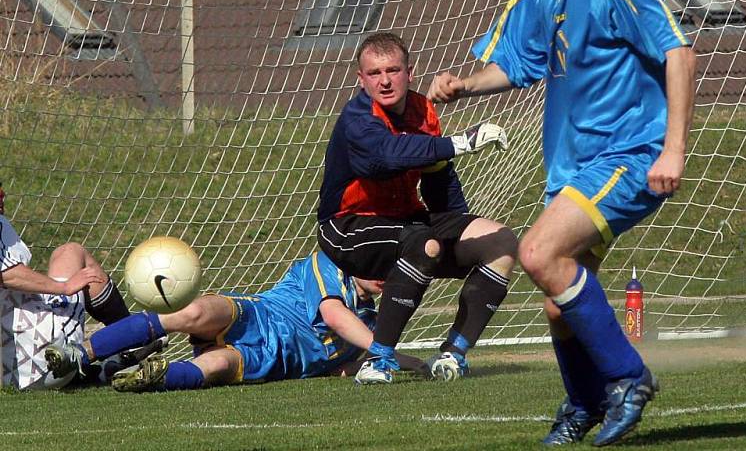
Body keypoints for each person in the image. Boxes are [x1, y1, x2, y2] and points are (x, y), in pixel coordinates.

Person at [428, 0, 696, 446]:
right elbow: (519, 63)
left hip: (629, 152)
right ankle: (584, 403)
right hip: (574, 163)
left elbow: (678, 51)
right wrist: (467, 85)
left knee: (538, 253)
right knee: (559, 301)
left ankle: (628, 377)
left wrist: (672, 148)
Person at [317, 31, 519, 385]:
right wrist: (460, 142)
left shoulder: (423, 111)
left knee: (501, 242)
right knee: (423, 242)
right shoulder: (357, 116)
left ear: (409, 73)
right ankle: (378, 360)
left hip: (406, 222)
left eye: (392, 70)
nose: (384, 81)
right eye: (374, 73)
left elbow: (439, 185)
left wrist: (460, 225)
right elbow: (383, 158)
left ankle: (453, 355)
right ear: (360, 79)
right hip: (347, 228)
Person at [46, 250, 428, 392]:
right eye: (379, 264)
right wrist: (385, 350)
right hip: (256, 316)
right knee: (192, 313)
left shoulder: (370, 324)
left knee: (216, 365)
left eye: (391, 272)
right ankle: (80, 353)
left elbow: (348, 367)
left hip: (275, 363)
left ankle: (147, 378)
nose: (383, 275)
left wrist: (411, 363)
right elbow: (332, 313)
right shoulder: (328, 263)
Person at [0, 212, 130, 390]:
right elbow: (7, 275)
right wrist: (65, 287)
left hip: (12, 375)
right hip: (48, 363)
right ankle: (130, 345)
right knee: (71, 252)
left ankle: (110, 358)